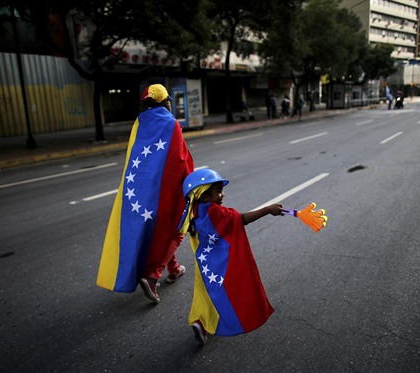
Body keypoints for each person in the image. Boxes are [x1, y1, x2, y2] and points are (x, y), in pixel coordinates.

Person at [97, 83, 194, 304]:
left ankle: (174, 268)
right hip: (166, 191)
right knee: (177, 229)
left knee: (160, 232)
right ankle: (153, 276)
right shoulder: (171, 123)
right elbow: (180, 160)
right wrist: (191, 184)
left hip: (141, 193)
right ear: (165, 102)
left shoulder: (139, 123)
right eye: (168, 100)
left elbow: (134, 159)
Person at [178, 168, 285, 345]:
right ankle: (213, 322)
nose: (222, 195)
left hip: (204, 262)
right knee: (223, 293)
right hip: (221, 263)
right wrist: (267, 209)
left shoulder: (193, 210)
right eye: (218, 192)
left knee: (205, 291)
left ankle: (200, 321)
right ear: (204, 196)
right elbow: (241, 219)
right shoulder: (214, 212)